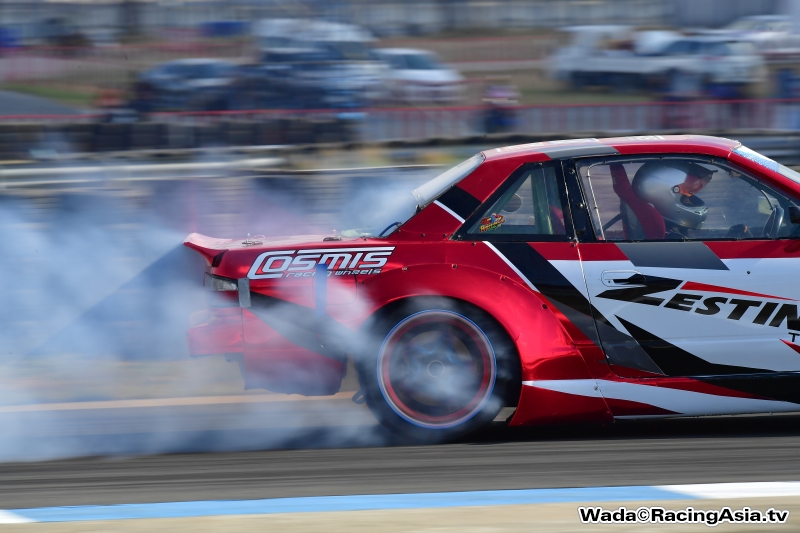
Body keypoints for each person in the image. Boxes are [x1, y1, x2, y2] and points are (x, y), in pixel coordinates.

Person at [631, 161, 717, 239]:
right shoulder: (673, 242)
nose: (690, 201)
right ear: (663, 196)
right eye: (685, 197)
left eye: (688, 197)